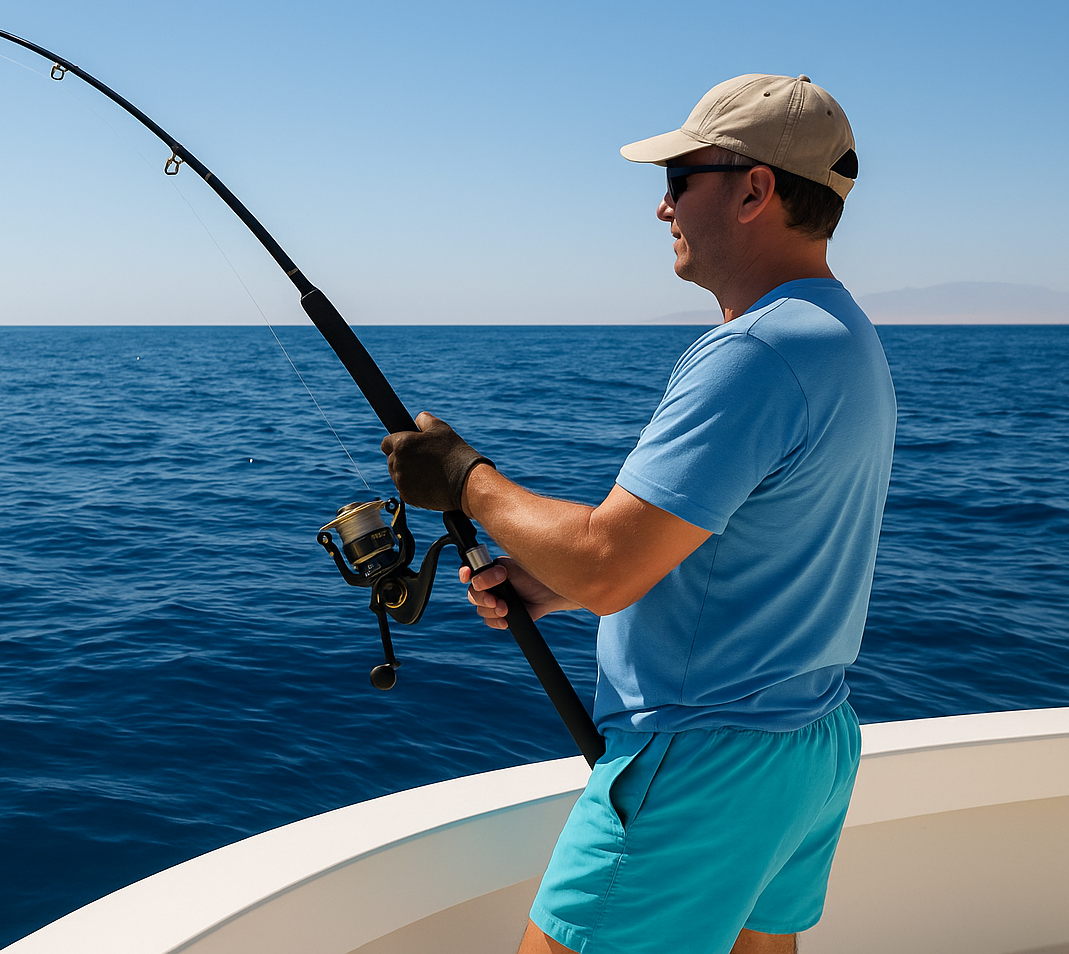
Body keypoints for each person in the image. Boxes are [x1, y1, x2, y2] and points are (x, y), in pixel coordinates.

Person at [380, 74, 896, 954]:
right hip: (807, 747)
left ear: (753, 189)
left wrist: (465, 478)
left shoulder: (756, 351)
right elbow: (745, 548)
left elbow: (609, 561)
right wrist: (560, 587)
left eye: (676, 183)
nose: (663, 211)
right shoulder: (843, 335)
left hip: (702, 764)